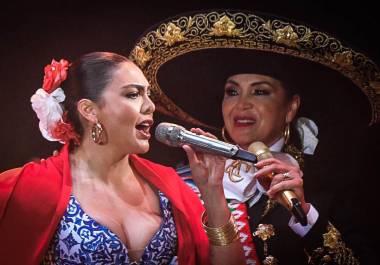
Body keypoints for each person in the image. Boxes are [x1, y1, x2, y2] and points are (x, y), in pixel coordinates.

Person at [129, 10, 380, 264]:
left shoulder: (327, 181)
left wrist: (305, 213)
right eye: (232, 91)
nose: (242, 105)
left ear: (291, 108)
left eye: (260, 92)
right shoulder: (188, 177)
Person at [0, 52, 246, 265]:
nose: (150, 106)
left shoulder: (168, 186)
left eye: (148, 95)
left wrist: (212, 191)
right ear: (89, 111)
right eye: (133, 94)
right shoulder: (26, 189)